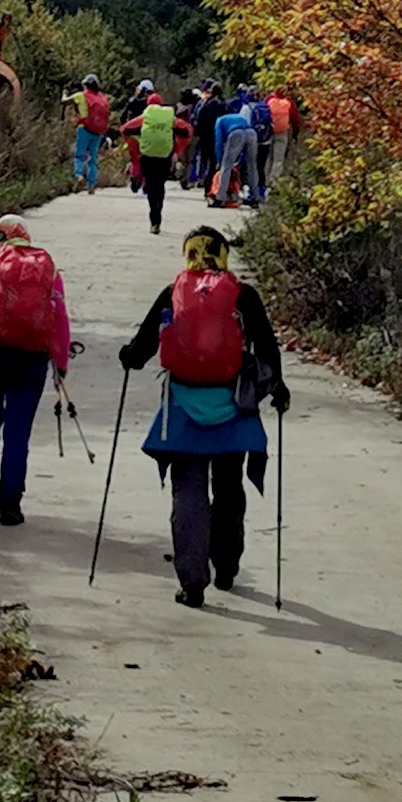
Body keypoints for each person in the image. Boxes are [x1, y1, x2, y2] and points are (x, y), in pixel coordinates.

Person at [118, 226, 287, 607]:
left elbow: (141, 349)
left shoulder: (173, 293)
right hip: (233, 407)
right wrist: (277, 388)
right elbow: (267, 346)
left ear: (188, 255)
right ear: (224, 254)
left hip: (183, 406)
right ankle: (226, 565)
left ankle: (192, 582)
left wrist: (130, 356)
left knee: (188, 491)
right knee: (228, 488)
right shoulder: (243, 295)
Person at [0, 215, 74, 525]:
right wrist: (60, 364)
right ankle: (11, 503)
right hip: (32, 357)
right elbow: (59, 318)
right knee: (18, 431)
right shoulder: (46, 267)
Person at [124, 81, 186, 232]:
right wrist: (177, 149)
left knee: (150, 186)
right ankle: (158, 212)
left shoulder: (146, 116)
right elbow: (187, 129)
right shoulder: (169, 118)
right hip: (165, 155)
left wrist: (136, 143)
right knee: (160, 185)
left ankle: (154, 219)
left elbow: (125, 128)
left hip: (148, 155)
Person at [211, 85, 262, 211]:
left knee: (226, 165)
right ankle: (255, 197)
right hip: (251, 133)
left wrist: (219, 160)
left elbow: (218, 142)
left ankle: (220, 197)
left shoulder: (219, 121)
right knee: (252, 166)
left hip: (236, 133)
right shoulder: (236, 116)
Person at [68, 75, 113, 194]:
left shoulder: (81, 95)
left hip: (84, 129)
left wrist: (64, 93)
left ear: (86, 85)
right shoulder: (102, 98)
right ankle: (91, 184)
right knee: (93, 159)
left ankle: (79, 175)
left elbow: (65, 101)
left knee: (79, 155)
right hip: (97, 131)